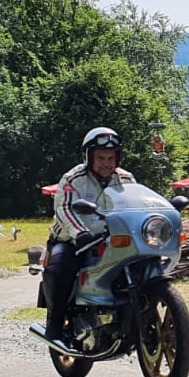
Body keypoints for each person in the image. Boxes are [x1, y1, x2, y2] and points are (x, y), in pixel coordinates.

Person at [43, 127, 138, 343]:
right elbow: (65, 209)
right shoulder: (73, 179)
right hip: (72, 241)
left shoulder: (126, 179)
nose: (107, 163)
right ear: (89, 157)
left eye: (111, 158)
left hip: (113, 239)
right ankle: (55, 325)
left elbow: (137, 205)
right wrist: (80, 234)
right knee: (59, 270)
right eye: (101, 158)